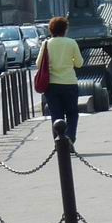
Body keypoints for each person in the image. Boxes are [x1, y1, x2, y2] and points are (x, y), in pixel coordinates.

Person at [35, 16, 85, 144]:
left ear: (51, 29)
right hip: (69, 83)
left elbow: (38, 63)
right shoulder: (71, 43)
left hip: (52, 85)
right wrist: (70, 61)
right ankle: (70, 138)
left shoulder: (46, 44)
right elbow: (79, 63)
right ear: (65, 29)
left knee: (56, 115)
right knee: (72, 113)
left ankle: (59, 142)